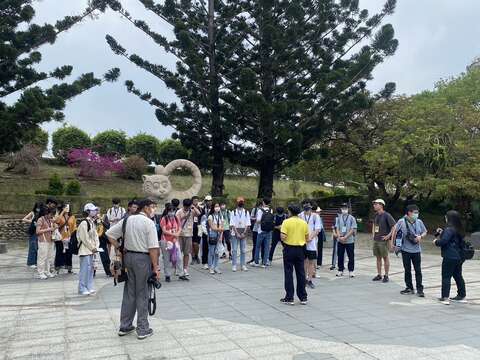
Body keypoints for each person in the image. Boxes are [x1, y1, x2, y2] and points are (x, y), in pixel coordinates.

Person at [106, 198, 161, 340]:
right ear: (146, 208)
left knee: (129, 292)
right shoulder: (149, 223)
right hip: (143, 259)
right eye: (153, 207)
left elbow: (109, 234)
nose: (154, 210)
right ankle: (143, 328)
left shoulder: (127, 220)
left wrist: (119, 247)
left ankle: (125, 325)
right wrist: (156, 268)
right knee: (142, 292)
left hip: (128, 258)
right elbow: (153, 248)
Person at [391, 204, 427, 297]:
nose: (417, 214)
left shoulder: (419, 221)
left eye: (417, 212)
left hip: (416, 250)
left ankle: (420, 289)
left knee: (418, 270)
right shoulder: (401, 221)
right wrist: (393, 244)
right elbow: (394, 231)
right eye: (415, 212)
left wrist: (420, 236)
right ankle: (409, 287)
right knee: (407, 270)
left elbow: (425, 231)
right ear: (409, 213)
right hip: (405, 250)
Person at [433, 210, 467, 305]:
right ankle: (461, 295)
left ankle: (445, 297)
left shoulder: (449, 229)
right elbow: (454, 239)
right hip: (459, 256)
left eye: (446, 216)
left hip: (449, 256)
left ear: (449, 218)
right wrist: (442, 232)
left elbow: (444, 241)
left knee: (446, 276)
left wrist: (436, 242)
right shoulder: (459, 229)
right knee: (458, 275)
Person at [280, 204, 309, 305]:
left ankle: (289, 297)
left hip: (289, 248)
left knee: (288, 272)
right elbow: (307, 238)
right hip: (300, 249)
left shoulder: (286, 222)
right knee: (301, 273)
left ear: (290, 212)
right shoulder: (304, 223)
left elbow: (283, 236)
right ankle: (303, 297)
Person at [160, 203, 189, 282]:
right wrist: (174, 234)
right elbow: (164, 230)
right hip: (166, 241)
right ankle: (167, 275)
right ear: (167, 211)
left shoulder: (176, 218)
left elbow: (179, 228)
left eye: (173, 210)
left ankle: (181, 274)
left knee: (179, 257)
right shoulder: (164, 219)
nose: (172, 212)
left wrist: (177, 234)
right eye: (170, 211)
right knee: (166, 258)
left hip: (175, 241)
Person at [77, 203, 100, 295]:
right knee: (84, 270)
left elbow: (95, 236)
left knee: (91, 270)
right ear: (87, 211)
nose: (95, 211)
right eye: (92, 210)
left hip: (91, 250)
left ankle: (89, 286)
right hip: (85, 250)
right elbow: (84, 238)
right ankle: (82, 287)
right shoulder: (84, 223)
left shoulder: (91, 222)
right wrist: (92, 247)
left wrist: (96, 247)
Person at [372, 199, 395, 283]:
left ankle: (386, 275)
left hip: (383, 240)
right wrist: (373, 234)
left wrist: (388, 236)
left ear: (381, 205)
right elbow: (374, 225)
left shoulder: (387, 215)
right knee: (378, 257)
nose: (374, 205)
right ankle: (379, 274)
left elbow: (394, 226)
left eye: (376, 204)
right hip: (376, 239)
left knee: (385, 257)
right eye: (374, 204)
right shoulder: (376, 215)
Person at [299, 201, 322, 289]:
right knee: (304, 261)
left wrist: (310, 238)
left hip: (312, 242)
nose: (307, 211)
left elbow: (317, 229)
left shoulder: (316, 216)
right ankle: (304, 279)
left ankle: (310, 279)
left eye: (308, 209)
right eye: (305, 209)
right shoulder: (300, 215)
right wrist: (305, 238)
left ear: (311, 209)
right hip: (302, 241)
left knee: (311, 261)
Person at [176, 198, 201, 277]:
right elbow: (176, 221)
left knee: (186, 253)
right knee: (178, 253)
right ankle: (178, 268)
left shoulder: (192, 210)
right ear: (183, 205)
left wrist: (193, 207)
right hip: (180, 234)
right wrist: (185, 216)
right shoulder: (179, 211)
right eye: (186, 207)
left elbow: (199, 213)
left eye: (188, 207)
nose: (187, 208)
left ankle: (185, 268)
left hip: (189, 234)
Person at [335, 204, 357, 278]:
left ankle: (351, 270)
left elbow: (353, 229)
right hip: (340, 240)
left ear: (348, 209)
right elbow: (337, 228)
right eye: (343, 208)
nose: (344, 209)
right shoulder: (338, 218)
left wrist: (345, 237)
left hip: (349, 240)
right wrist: (339, 237)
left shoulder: (352, 218)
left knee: (351, 256)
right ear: (341, 209)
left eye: (346, 208)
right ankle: (340, 270)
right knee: (340, 255)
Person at [54, 203, 76, 274]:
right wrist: (63, 212)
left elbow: (74, 227)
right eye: (66, 207)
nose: (67, 208)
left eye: (68, 207)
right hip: (60, 237)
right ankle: (57, 268)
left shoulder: (72, 217)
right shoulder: (60, 216)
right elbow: (57, 221)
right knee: (59, 253)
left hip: (69, 237)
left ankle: (69, 268)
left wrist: (71, 235)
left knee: (69, 253)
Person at [35, 207, 56, 279]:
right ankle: (41, 272)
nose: (52, 216)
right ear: (47, 213)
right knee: (42, 257)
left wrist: (54, 227)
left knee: (48, 257)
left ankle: (47, 271)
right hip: (43, 241)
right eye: (51, 215)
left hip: (50, 240)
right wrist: (48, 229)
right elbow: (37, 231)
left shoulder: (50, 220)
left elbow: (57, 221)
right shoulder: (40, 219)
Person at [230, 197, 250, 272]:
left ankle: (243, 265)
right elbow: (232, 224)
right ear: (237, 202)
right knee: (234, 250)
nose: (241, 203)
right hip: (235, 232)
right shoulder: (233, 212)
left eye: (242, 201)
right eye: (239, 201)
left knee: (243, 250)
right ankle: (234, 265)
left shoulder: (246, 212)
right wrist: (237, 233)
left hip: (243, 231)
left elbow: (248, 224)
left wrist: (244, 232)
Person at [22, 202, 44, 269]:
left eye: (39, 207)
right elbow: (24, 219)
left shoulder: (42, 214)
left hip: (39, 232)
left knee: (38, 247)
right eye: (37, 207)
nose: (38, 209)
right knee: (32, 247)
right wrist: (32, 221)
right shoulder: (32, 213)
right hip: (33, 232)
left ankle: (36, 261)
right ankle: (31, 262)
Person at [253, 198, 274, 268]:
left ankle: (256, 262)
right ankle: (264, 263)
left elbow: (258, 221)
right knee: (267, 247)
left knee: (258, 246)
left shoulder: (260, 210)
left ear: (263, 202)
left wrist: (260, 221)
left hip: (261, 231)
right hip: (269, 231)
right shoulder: (271, 210)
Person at [208, 202, 224, 274]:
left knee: (217, 252)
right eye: (216, 206)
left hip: (219, 234)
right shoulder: (210, 216)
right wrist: (220, 229)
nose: (217, 208)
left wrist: (221, 235)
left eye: (218, 206)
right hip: (212, 235)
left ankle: (216, 267)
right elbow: (212, 227)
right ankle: (211, 267)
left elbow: (222, 226)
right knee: (211, 252)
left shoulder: (221, 216)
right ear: (213, 208)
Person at [200, 195, 213, 269]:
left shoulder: (213, 209)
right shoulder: (202, 209)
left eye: (210, 201)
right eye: (207, 201)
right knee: (204, 246)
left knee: (211, 246)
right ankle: (204, 262)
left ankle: (210, 261)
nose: (209, 202)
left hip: (212, 229)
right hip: (204, 229)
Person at [191, 196, 202, 264]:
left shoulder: (200, 208)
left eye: (197, 200)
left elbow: (199, 214)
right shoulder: (189, 208)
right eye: (194, 200)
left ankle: (196, 255)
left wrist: (195, 208)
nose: (196, 202)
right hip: (191, 227)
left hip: (198, 227)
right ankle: (193, 257)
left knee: (196, 243)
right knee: (192, 244)